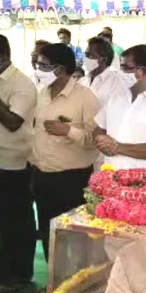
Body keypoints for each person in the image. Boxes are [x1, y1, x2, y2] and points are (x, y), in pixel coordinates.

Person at [0, 34, 38, 291]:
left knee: (18, 222)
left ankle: (20, 274)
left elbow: (13, 123)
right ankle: (6, 266)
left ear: (3, 57)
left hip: (15, 163)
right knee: (1, 219)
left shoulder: (21, 85)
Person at [30, 43, 99, 261]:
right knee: (48, 234)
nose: (37, 69)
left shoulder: (85, 98)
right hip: (42, 177)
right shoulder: (41, 94)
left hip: (72, 180)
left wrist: (68, 131)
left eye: (42, 65)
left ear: (59, 69)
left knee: (76, 236)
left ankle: (77, 286)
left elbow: (96, 140)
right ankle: (54, 285)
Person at [93, 45, 146, 169]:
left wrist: (117, 148)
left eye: (124, 68)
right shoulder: (118, 97)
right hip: (111, 174)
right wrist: (101, 141)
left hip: (145, 180)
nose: (119, 72)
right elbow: (98, 128)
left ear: (140, 71)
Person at [79, 36, 127, 108]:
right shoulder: (82, 81)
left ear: (103, 59)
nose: (86, 58)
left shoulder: (117, 83)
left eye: (90, 55)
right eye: (85, 54)